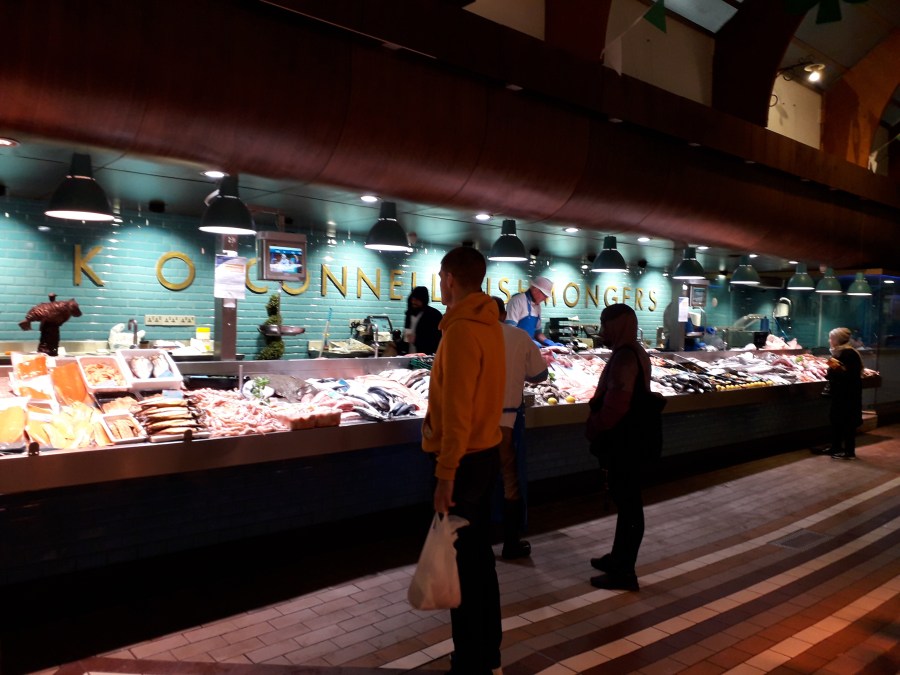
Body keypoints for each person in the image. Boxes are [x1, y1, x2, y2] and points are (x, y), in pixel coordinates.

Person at [422, 246, 505, 675]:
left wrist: (444, 474)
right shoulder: (490, 325)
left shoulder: (458, 332)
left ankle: (470, 657)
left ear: (450, 278)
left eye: (440, 276)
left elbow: (456, 412)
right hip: (486, 454)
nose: (439, 283)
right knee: (479, 562)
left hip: (464, 463)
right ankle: (487, 651)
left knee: (463, 568)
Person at [586, 303, 650, 592]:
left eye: (605, 325)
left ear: (620, 325)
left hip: (625, 441)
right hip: (634, 439)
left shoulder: (625, 357)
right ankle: (618, 558)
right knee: (627, 504)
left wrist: (596, 425)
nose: (602, 331)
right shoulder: (635, 351)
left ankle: (624, 572)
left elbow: (617, 403)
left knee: (629, 506)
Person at [492, 296, 548, 560]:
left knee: (477, 481)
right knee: (510, 482)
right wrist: (517, 372)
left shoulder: (467, 337)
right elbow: (540, 375)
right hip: (507, 422)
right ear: (504, 314)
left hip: (474, 423)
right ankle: (511, 543)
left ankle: (476, 542)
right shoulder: (518, 337)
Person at [825, 326, 863, 460]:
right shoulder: (840, 353)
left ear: (837, 339)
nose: (829, 340)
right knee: (836, 419)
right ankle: (836, 447)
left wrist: (832, 367)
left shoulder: (848, 354)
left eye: (831, 338)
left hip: (847, 395)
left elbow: (848, 374)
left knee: (847, 422)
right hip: (842, 393)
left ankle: (848, 451)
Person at [504, 276, 561, 347]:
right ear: (535, 290)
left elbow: (538, 333)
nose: (546, 298)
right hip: (516, 349)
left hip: (529, 348)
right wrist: (529, 342)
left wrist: (549, 342)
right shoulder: (517, 301)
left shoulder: (538, 307)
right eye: (545, 295)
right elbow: (510, 330)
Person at [403, 286, 443, 355]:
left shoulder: (433, 315)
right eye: (413, 299)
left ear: (423, 300)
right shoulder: (409, 314)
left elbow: (436, 341)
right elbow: (406, 339)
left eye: (417, 300)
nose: (414, 302)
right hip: (409, 356)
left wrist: (415, 340)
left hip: (424, 358)